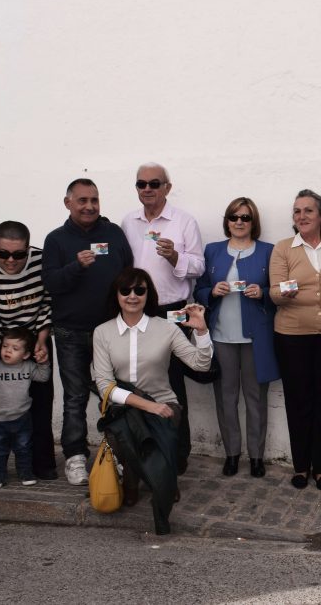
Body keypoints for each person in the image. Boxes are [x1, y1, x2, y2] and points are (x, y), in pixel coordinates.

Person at [92, 268, 213, 536]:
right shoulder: (102, 332)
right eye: (126, 290)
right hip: (125, 405)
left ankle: (163, 479)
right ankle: (135, 481)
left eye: (140, 290)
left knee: (164, 426)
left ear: (149, 295)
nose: (132, 296)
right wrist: (147, 406)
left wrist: (202, 331)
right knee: (125, 431)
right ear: (117, 295)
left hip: (164, 401)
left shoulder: (166, 329)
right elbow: (104, 385)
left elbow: (201, 365)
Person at [43, 178, 133, 486]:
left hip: (110, 332)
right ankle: (76, 456)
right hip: (70, 333)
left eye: (94, 200)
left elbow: (128, 275)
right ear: (68, 203)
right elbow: (51, 284)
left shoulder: (113, 234)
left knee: (116, 396)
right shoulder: (56, 240)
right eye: (82, 200)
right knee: (75, 397)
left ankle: (117, 453)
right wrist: (76, 267)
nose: (89, 206)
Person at [121, 163, 205, 474]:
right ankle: (145, 448)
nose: (147, 189)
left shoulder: (183, 221)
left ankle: (177, 452)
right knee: (138, 381)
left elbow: (198, 266)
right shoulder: (128, 222)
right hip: (137, 311)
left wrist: (174, 257)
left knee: (172, 384)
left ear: (167, 187)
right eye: (141, 184)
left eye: (154, 183)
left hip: (172, 311)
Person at [0, 221, 55, 487]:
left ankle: (41, 464)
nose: (11, 260)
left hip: (36, 338)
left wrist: (40, 341)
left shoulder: (42, 262)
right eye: (4, 254)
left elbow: (49, 302)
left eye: (19, 254)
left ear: (28, 248)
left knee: (40, 400)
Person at [269, 189, 321, 491]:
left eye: (307, 211)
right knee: (299, 401)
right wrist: (285, 293)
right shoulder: (283, 248)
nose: (301, 216)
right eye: (296, 211)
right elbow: (275, 293)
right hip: (291, 337)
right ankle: (301, 466)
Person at [195, 197, 278, 478]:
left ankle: (256, 456)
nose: (239, 222)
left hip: (256, 338)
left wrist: (263, 292)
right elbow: (199, 289)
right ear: (227, 221)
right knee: (225, 398)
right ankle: (232, 453)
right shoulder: (213, 251)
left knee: (256, 399)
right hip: (221, 336)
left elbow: (277, 290)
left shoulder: (268, 251)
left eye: (245, 217)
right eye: (234, 217)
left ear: (253, 222)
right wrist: (211, 292)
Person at [0, 328, 51, 488]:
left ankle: (25, 472)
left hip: (22, 417)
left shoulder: (28, 367)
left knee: (24, 448)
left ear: (26, 354)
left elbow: (43, 376)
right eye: (5, 346)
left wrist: (43, 363)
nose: (8, 350)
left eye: (15, 348)